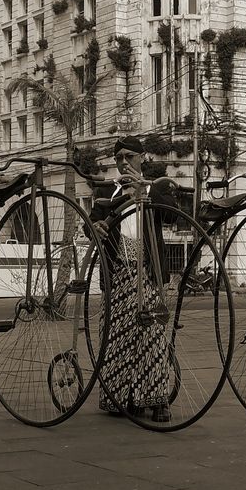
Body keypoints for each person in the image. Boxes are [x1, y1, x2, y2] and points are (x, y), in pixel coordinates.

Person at [90, 135, 176, 422]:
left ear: (142, 158)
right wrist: (96, 227)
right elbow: (92, 223)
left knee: (152, 334)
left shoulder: (156, 187)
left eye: (129, 156)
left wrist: (144, 191)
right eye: (119, 158)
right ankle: (123, 397)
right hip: (118, 270)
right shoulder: (107, 191)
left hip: (148, 271)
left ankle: (157, 399)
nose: (123, 162)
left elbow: (171, 216)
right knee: (117, 336)